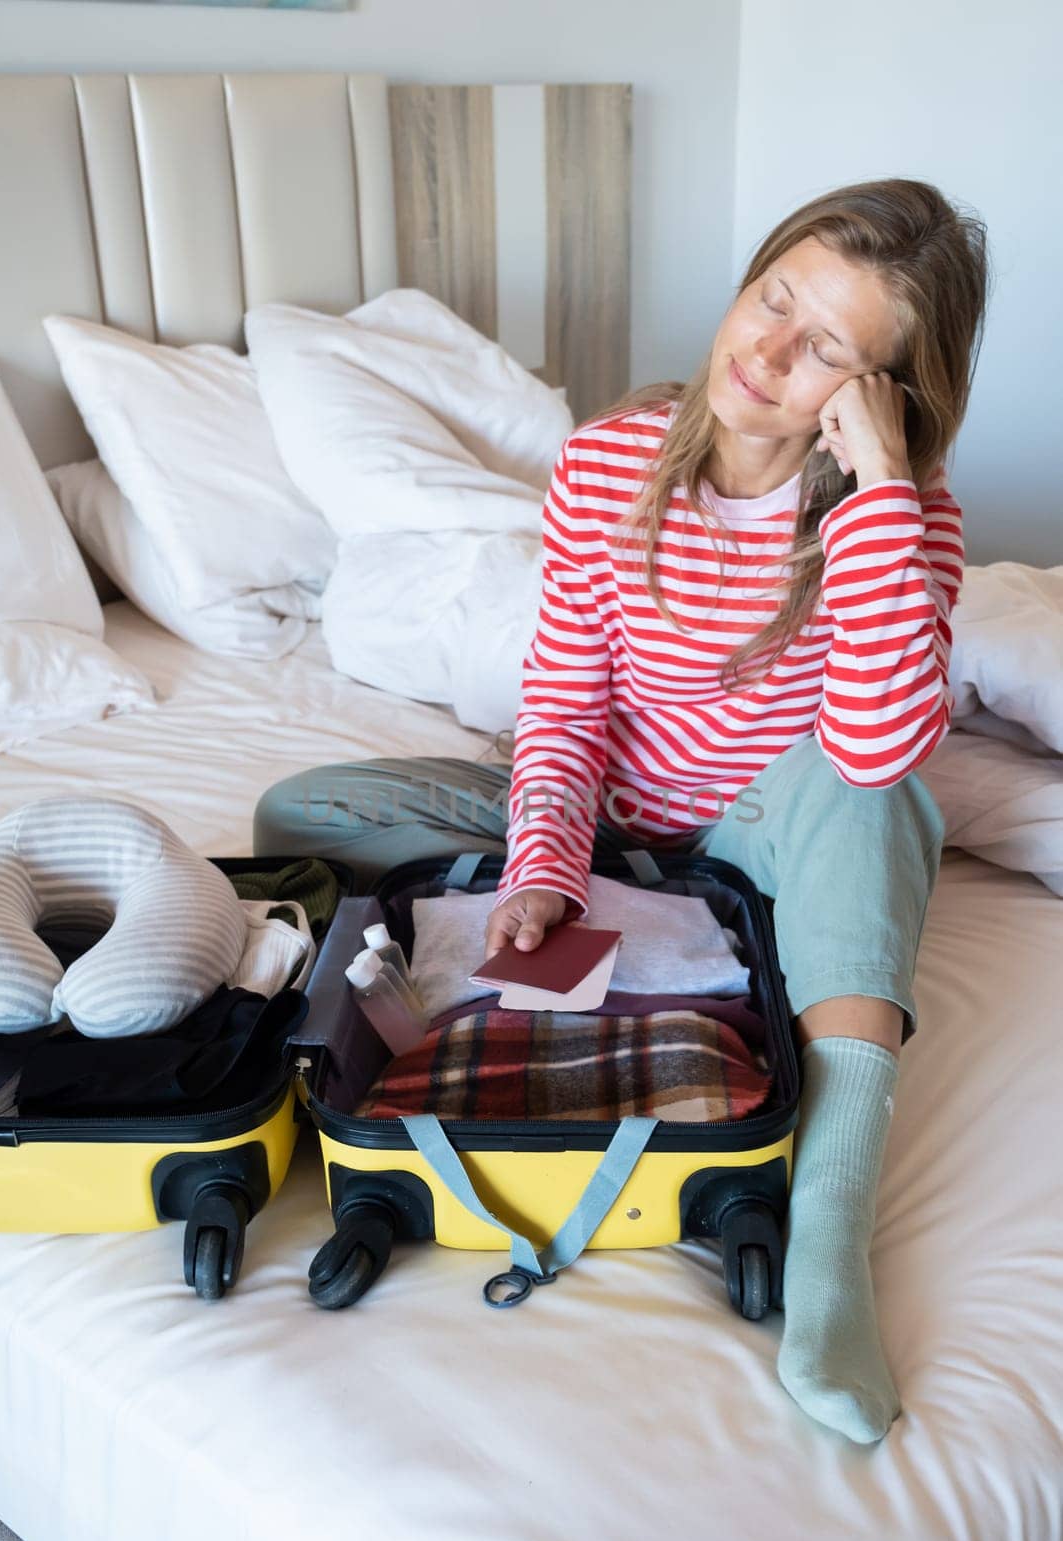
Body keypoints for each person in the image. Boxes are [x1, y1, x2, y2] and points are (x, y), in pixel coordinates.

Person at [254, 178, 989, 1444]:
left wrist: (874, 487)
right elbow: (565, 700)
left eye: (823, 347)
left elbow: (874, 746)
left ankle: (826, 1252)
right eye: (772, 299)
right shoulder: (612, 458)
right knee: (302, 814)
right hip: (613, 822)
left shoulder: (903, 520)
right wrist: (544, 859)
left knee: (881, 800)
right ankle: (605, 897)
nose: (762, 353)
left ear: (880, 393)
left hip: (768, 826)